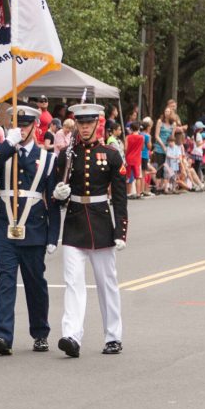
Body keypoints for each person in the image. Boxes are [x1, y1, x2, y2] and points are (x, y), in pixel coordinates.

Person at [52, 103, 128, 358]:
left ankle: (113, 336)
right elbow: (57, 191)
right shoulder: (66, 155)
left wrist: (120, 232)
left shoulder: (111, 153)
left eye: (88, 123)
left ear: (97, 124)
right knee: (73, 283)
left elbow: (119, 198)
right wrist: (59, 195)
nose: (84, 128)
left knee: (107, 283)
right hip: (74, 222)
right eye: (80, 123)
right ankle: (72, 335)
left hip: (100, 223)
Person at [0, 106, 58, 355]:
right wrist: (8, 145)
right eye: (18, 124)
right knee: (5, 280)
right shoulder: (3, 153)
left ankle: (40, 332)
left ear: (35, 126)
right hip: (6, 226)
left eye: (26, 125)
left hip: (34, 227)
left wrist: (53, 236)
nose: (21, 128)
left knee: (35, 282)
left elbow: (53, 200)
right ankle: (2, 335)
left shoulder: (46, 158)